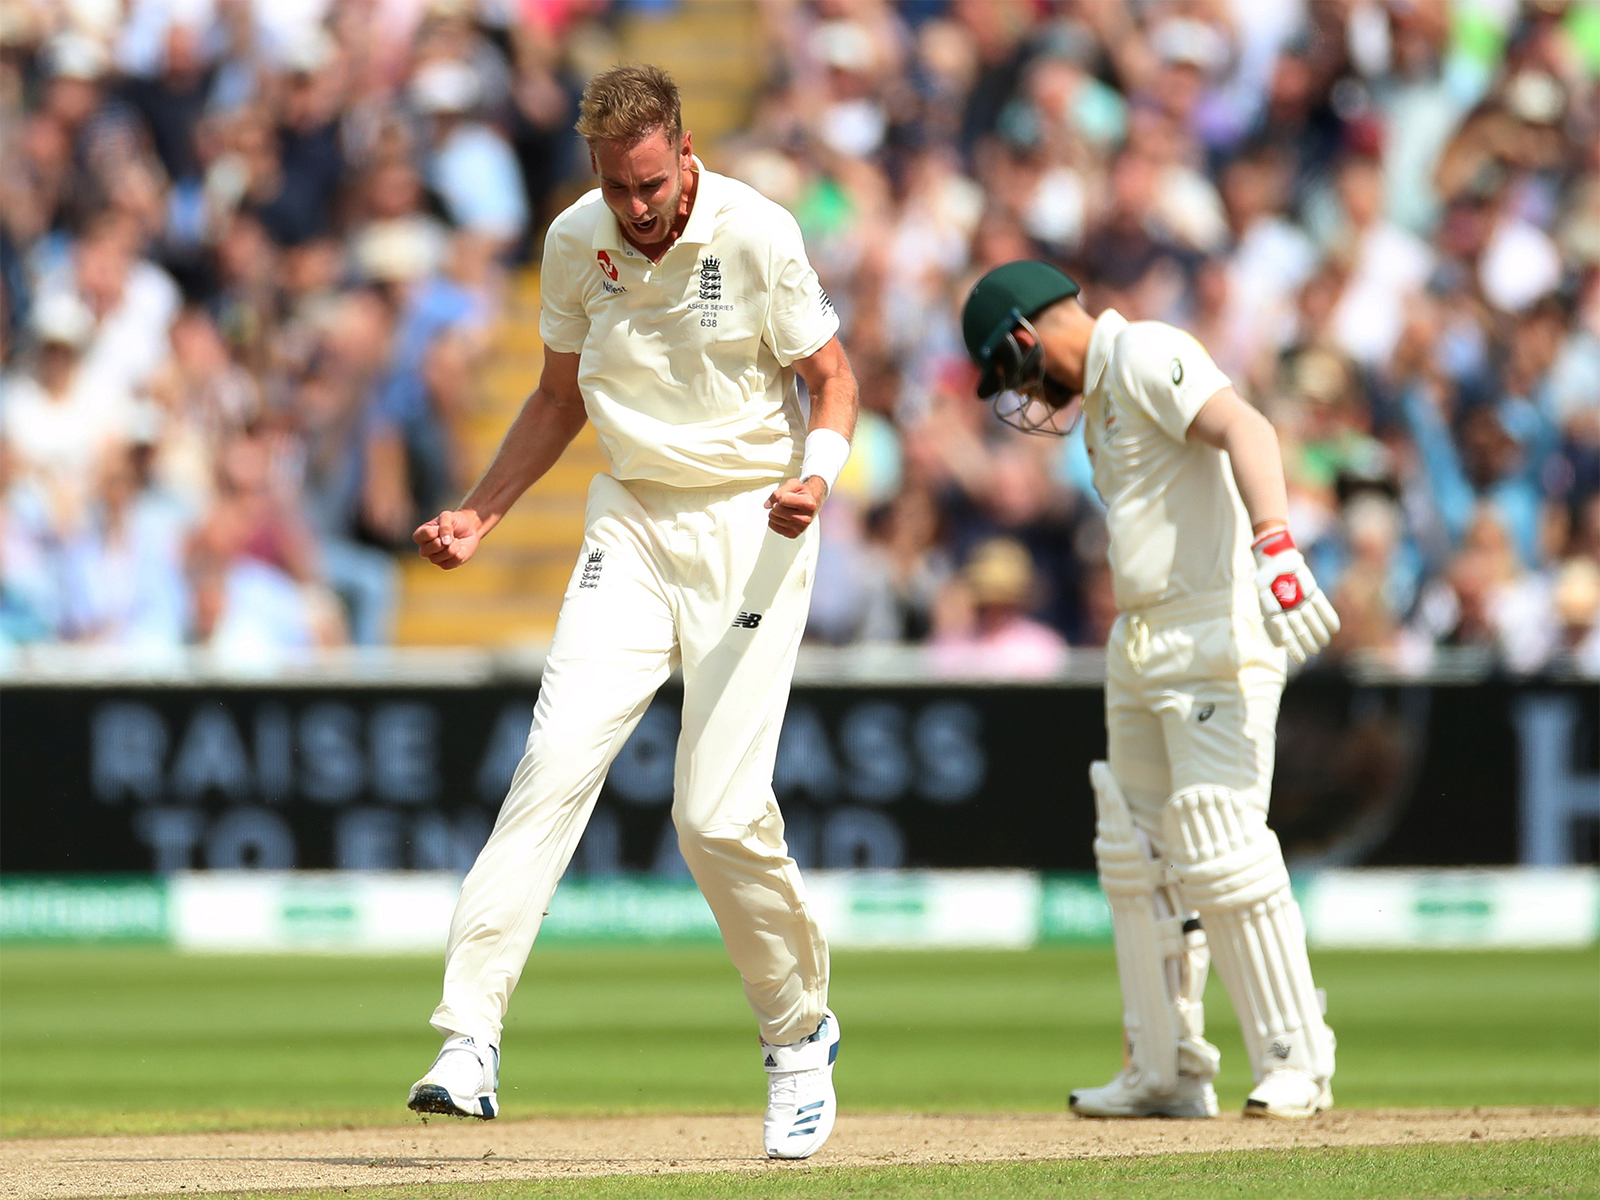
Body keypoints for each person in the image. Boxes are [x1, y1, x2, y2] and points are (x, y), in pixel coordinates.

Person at [406, 64, 857, 1160]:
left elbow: (834, 378)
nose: (638, 208)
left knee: (712, 815)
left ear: (683, 150)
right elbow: (558, 396)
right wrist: (480, 514)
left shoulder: (756, 232)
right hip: (632, 523)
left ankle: (798, 1036)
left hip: (757, 522)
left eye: (651, 184)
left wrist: (820, 472)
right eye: (618, 188)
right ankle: (468, 1036)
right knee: (553, 762)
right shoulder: (577, 241)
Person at [959, 261, 1340, 1120]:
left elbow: (1248, 428)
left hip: (1214, 629)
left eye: (1012, 369)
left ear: (1026, 336)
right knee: (1137, 855)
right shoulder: (1099, 404)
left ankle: (1295, 1058)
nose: (1020, 392)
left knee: (1219, 842)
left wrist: (1276, 548)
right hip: (1139, 640)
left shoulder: (1143, 355)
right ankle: (1166, 1069)